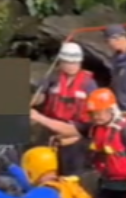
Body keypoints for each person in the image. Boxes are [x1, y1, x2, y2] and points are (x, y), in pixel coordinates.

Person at [32, 42, 97, 176]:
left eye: (75, 63)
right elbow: (43, 97)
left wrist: (38, 117)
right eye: (68, 62)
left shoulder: (88, 84)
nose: (72, 66)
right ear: (61, 62)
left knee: (71, 173)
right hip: (52, 127)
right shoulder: (53, 77)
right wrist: (37, 98)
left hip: (76, 130)